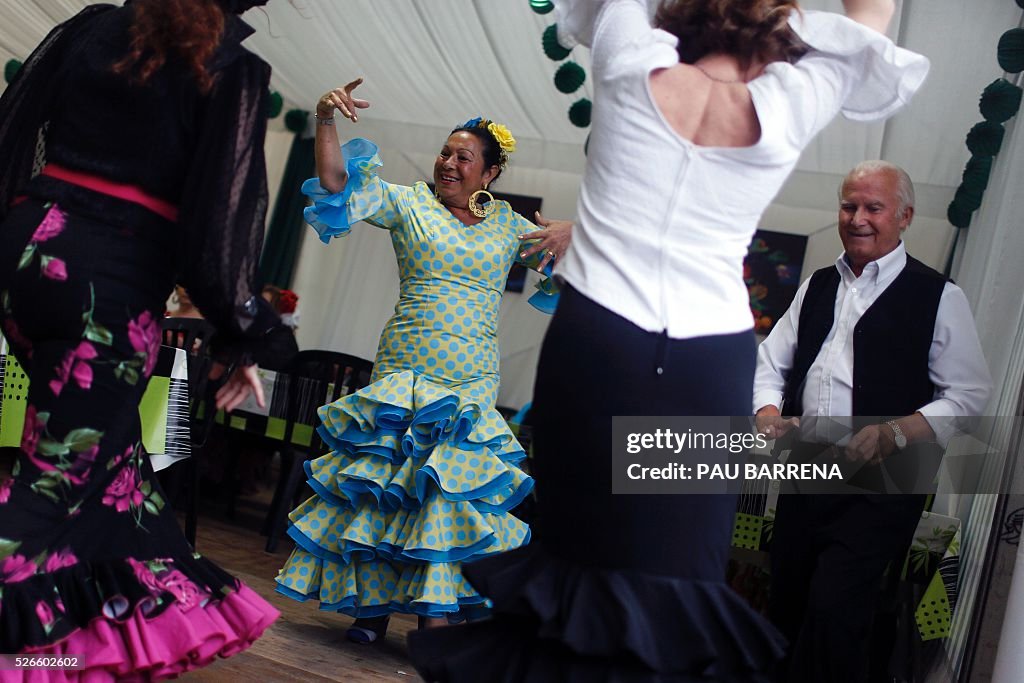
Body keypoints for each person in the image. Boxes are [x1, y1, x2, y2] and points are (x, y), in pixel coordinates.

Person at [407, 1, 932, 681]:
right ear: (780, 26)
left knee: (578, 573)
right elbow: (868, 18)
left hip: (598, 349)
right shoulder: (794, 100)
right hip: (707, 367)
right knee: (680, 584)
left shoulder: (630, 56)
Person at [0, 0, 283, 677]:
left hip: (26, 256)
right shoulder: (230, 68)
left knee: (117, 476)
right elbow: (216, 231)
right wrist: (248, 335)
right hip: (103, 284)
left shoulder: (95, 26)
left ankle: (82, 650)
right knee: (51, 490)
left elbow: (15, 135)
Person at [272, 80, 571, 643]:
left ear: (489, 174)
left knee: (446, 497)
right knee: (393, 488)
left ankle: (436, 623)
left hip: (472, 380)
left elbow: (564, 250)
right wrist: (326, 120)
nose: (449, 163)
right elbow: (336, 184)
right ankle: (370, 611)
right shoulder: (407, 202)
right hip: (405, 370)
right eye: (445, 152)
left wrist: (577, 227)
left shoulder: (508, 225)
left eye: (464, 157)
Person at [753, 161, 992, 682]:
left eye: (873, 207)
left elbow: (970, 394)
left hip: (884, 483)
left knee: (835, 609)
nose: (857, 218)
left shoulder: (939, 296)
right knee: (789, 601)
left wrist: (896, 431)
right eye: (848, 205)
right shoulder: (817, 285)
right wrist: (768, 411)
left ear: (904, 216)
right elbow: (772, 362)